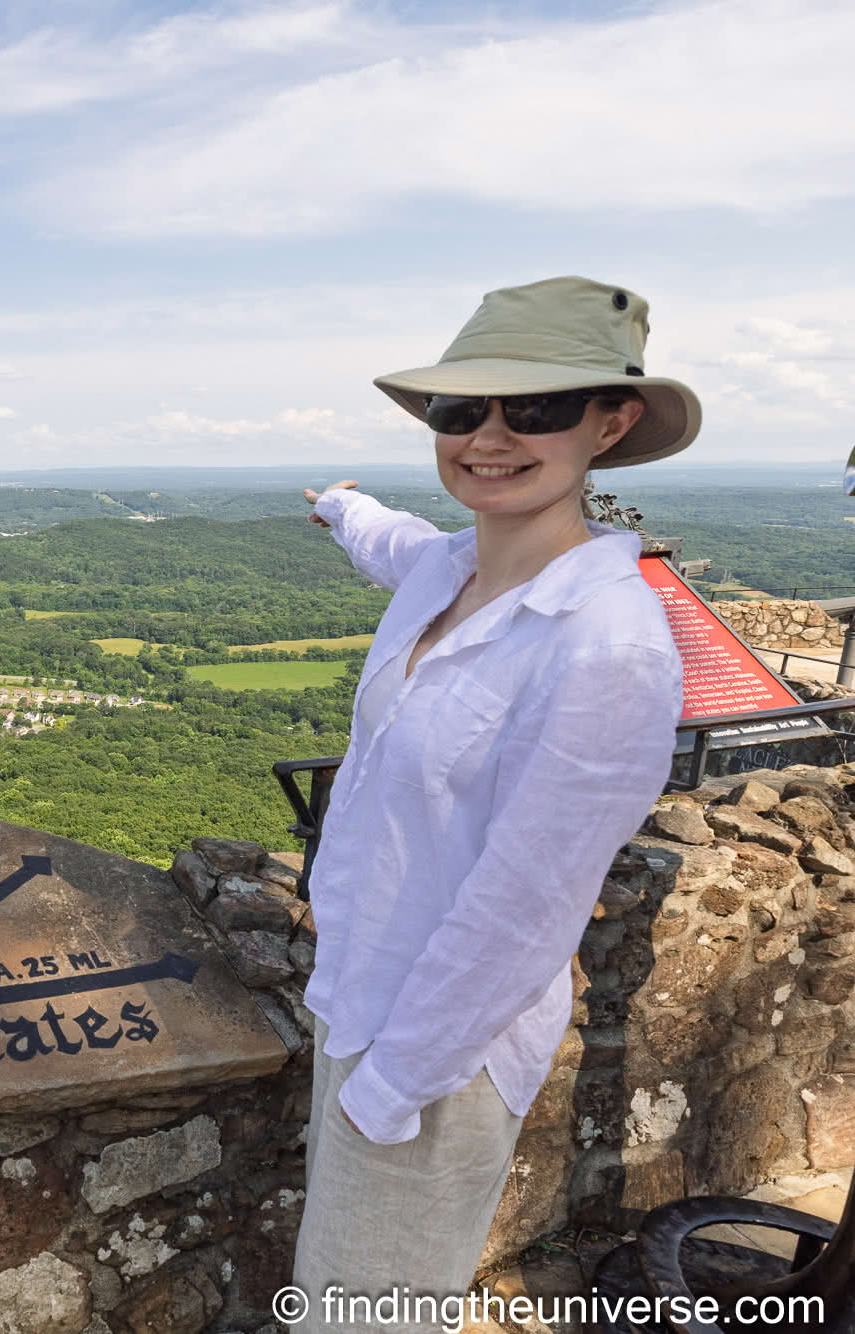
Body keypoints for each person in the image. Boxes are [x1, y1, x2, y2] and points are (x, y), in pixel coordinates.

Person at [288, 276, 698, 1332]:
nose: (489, 435)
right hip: (355, 994)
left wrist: (390, 1087)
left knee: (359, 1317)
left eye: (536, 407)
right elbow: (388, 540)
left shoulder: (602, 641)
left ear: (609, 421)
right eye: (459, 409)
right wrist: (338, 503)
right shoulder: (443, 571)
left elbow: (523, 908)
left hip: (436, 1057)